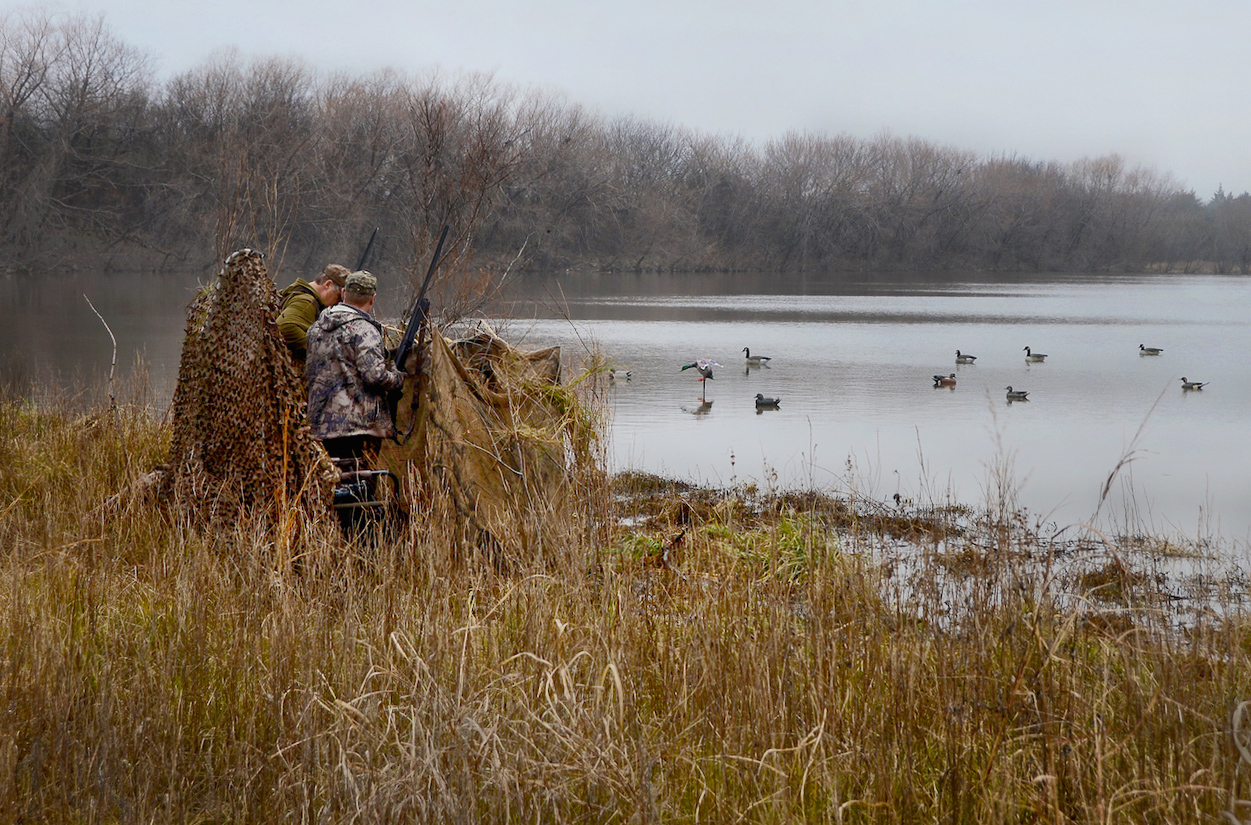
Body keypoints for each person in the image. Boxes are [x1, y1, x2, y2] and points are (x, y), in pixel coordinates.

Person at [304, 270, 406, 462]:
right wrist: (398, 377)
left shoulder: (316, 327)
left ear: (343, 293)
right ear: (373, 298)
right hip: (356, 428)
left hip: (319, 426)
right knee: (359, 486)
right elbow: (375, 376)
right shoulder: (364, 330)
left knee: (333, 485)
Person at [277, 264, 349, 364]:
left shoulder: (300, 293)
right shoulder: (307, 302)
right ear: (328, 285)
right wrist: (319, 352)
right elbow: (286, 326)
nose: (338, 303)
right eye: (339, 297)